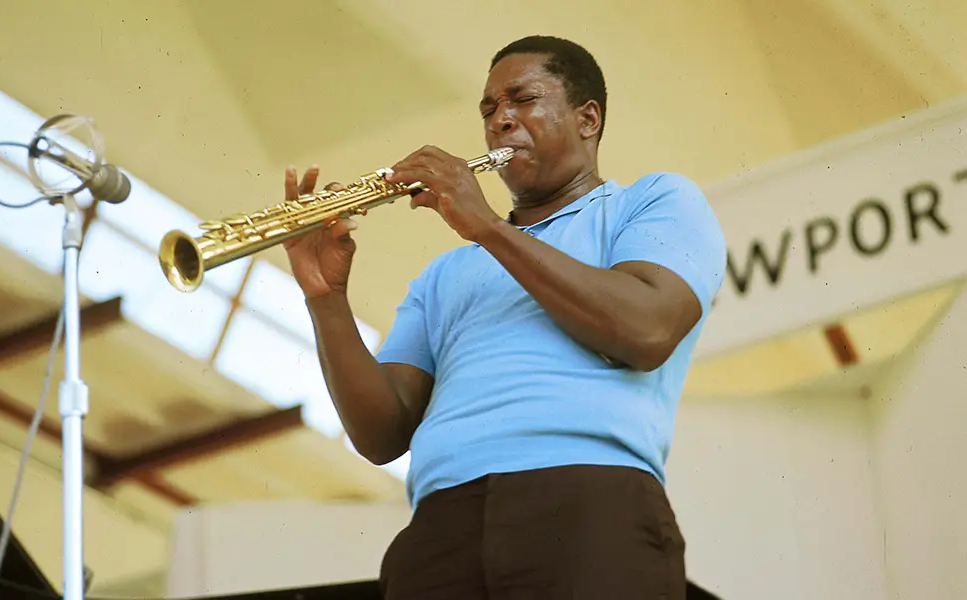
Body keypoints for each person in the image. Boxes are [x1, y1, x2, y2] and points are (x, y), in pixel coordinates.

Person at [283, 35, 726, 600]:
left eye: (522, 100)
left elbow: (647, 328)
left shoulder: (654, 201)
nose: (500, 121)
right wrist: (325, 297)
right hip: (440, 528)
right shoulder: (444, 275)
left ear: (588, 118)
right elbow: (381, 434)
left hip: (589, 503)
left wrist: (487, 226)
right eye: (490, 110)